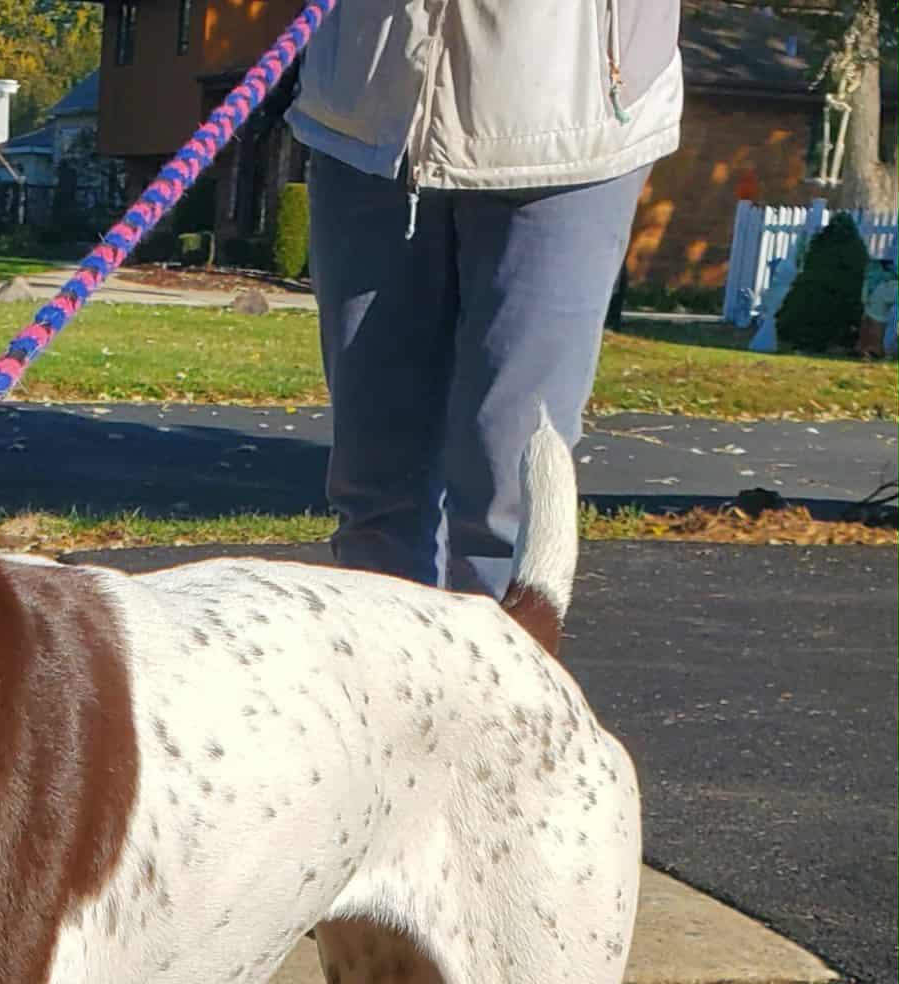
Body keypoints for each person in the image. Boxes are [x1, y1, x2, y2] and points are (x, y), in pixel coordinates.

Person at [289, 1, 682, 597]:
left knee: (511, 495)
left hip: (571, 121)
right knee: (374, 496)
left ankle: (505, 686)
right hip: (367, 115)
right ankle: (389, 687)